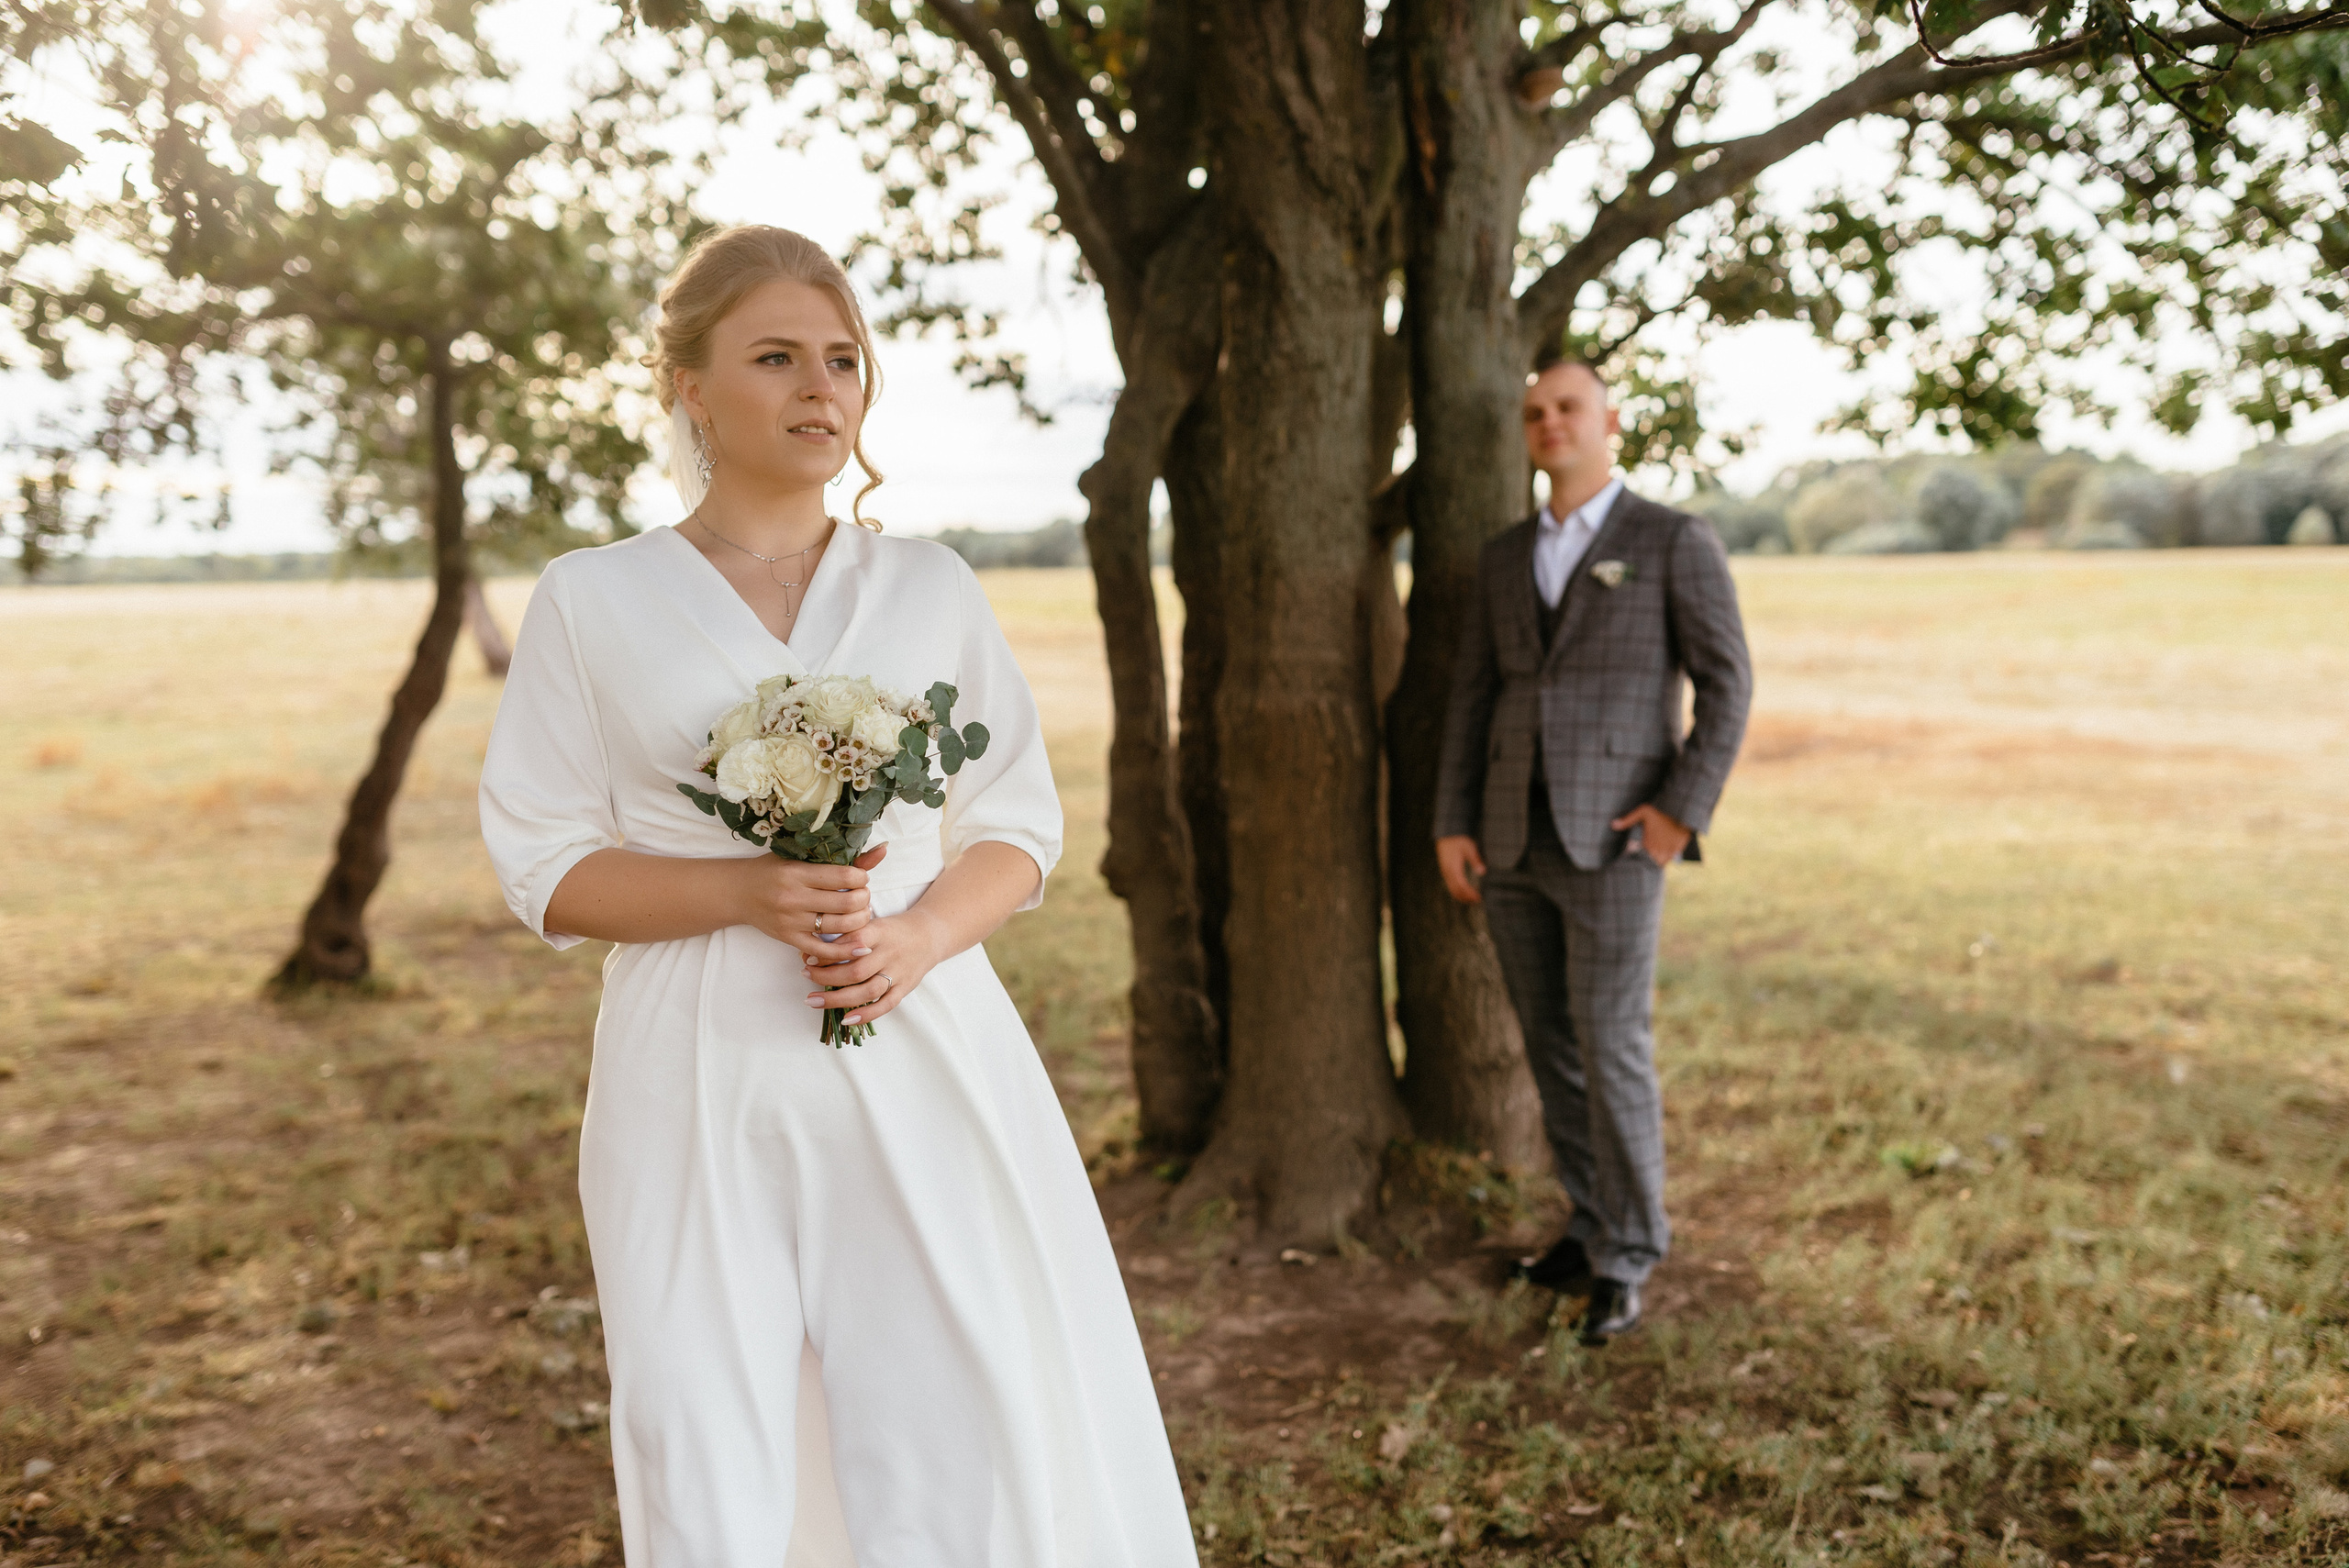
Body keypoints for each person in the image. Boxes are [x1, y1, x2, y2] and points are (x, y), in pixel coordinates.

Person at [478, 224, 1197, 1566]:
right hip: (693, 1065)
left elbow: (1015, 826)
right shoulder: (594, 600)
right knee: (707, 1418)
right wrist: (746, 889)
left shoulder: (926, 587)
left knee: (955, 1411)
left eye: (843, 360)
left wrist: (919, 934)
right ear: (689, 384)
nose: (822, 388)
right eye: (775, 357)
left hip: (921, 1036)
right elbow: (546, 865)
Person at [1432, 349, 1753, 1346]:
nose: (1550, 423)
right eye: (1534, 411)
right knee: (1550, 1048)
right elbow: (1473, 695)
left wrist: (1676, 813)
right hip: (1510, 838)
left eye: (1568, 406)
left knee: (1610, 1045)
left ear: (1608, 423)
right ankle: (1588, 1221)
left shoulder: (1669, 540)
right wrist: (1454, 817)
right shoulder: (1501, 555)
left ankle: (1633, 1250)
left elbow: (1727, 683)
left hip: (1616, 839)